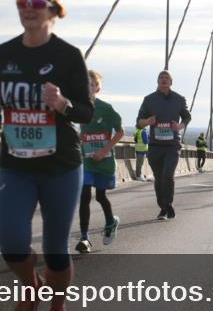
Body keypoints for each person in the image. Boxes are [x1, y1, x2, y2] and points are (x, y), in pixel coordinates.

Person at [0, 0, 93, 311]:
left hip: (61, 165)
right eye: (21, 1)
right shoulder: (4, 52)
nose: (27, 6)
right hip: (16, 163)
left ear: (54, 10)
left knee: (55, 249)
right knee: (12, 244)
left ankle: (58, 309)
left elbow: (86, 112)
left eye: (36, 1)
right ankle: (31, 287)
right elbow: (0, 95)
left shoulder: (68, 56)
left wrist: (62, 104)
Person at [76, 70, 124, 253]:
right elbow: (81, 131)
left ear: (97, 88)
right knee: (84, 196)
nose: (87, 87)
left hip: (103, 160)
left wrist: (104, 150)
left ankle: (111, 222)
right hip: (86, 160)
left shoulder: (106, 108)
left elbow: (119, 131)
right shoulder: (79, 107)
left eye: (91, 84)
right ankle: (84, 237)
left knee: (101, 196)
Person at [137, 71, 192, 220]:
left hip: (172, 145)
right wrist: (147, 122)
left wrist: (180, 126)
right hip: (155, 146)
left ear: (171, 82)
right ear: (157, 81)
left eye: (166, 78)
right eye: (161, 77)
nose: (164, 80)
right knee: (159, 178)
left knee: (168, 176)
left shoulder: (179, 99)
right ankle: (163, 206)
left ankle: (167, 205)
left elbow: (187, 116)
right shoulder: (149, 100)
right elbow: (139, 121)